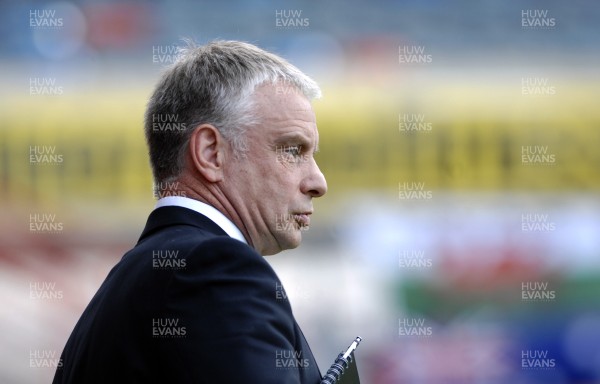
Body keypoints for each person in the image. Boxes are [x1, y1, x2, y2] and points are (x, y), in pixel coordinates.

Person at [53, 40, 327, 383]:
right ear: (211, 153)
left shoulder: (140, 276)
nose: (318, 182)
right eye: (293, 150)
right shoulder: (212, 268)